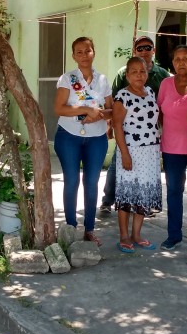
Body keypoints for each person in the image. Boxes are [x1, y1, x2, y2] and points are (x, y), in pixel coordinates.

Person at [99, 36, 169, 213]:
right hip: (129, 134)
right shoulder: (123, 72)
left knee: (146, 174)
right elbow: (115, 103)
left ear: (153, 50)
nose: (144, 50)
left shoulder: (162, 74)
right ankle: (108, 200)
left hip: (151, 136)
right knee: (119, 165)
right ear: (134, 51)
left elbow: (164, 103)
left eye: (148, 47)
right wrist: (110, 127)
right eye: (140, 48)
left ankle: (144, 204)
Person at [54, 36, 113, 245]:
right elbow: (59, 108)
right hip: (69, 136)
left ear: (93, 52)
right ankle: (70, 229)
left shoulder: (103, 80)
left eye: (87, 51)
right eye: (79, 52)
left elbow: (110, 110)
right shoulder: (67, 78)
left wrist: (99, 114)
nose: (84, 55)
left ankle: (89, 229)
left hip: (96, 138)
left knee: (91, 183)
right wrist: (86, 109)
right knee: (71, 181)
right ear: (73, 56)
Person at [113, 58, 162, 253]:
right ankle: (124, 236)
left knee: (144, 193)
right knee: (128, 193)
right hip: (131, 151)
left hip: (150, 152)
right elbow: (116, 126)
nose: (139, 75)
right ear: (127, 75)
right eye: (134, 72)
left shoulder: (150, 92)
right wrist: (125, 154)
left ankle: (137, 234)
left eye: (142, 71)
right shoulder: (122, 97)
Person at [157, 45, 187, 250]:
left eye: (186, 58)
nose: (181, 62)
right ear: (172, 62)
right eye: (177, 59)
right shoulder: (166, 83)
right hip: (171, 148)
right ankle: (173, 234)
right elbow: (159, 112)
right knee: (174, 191)